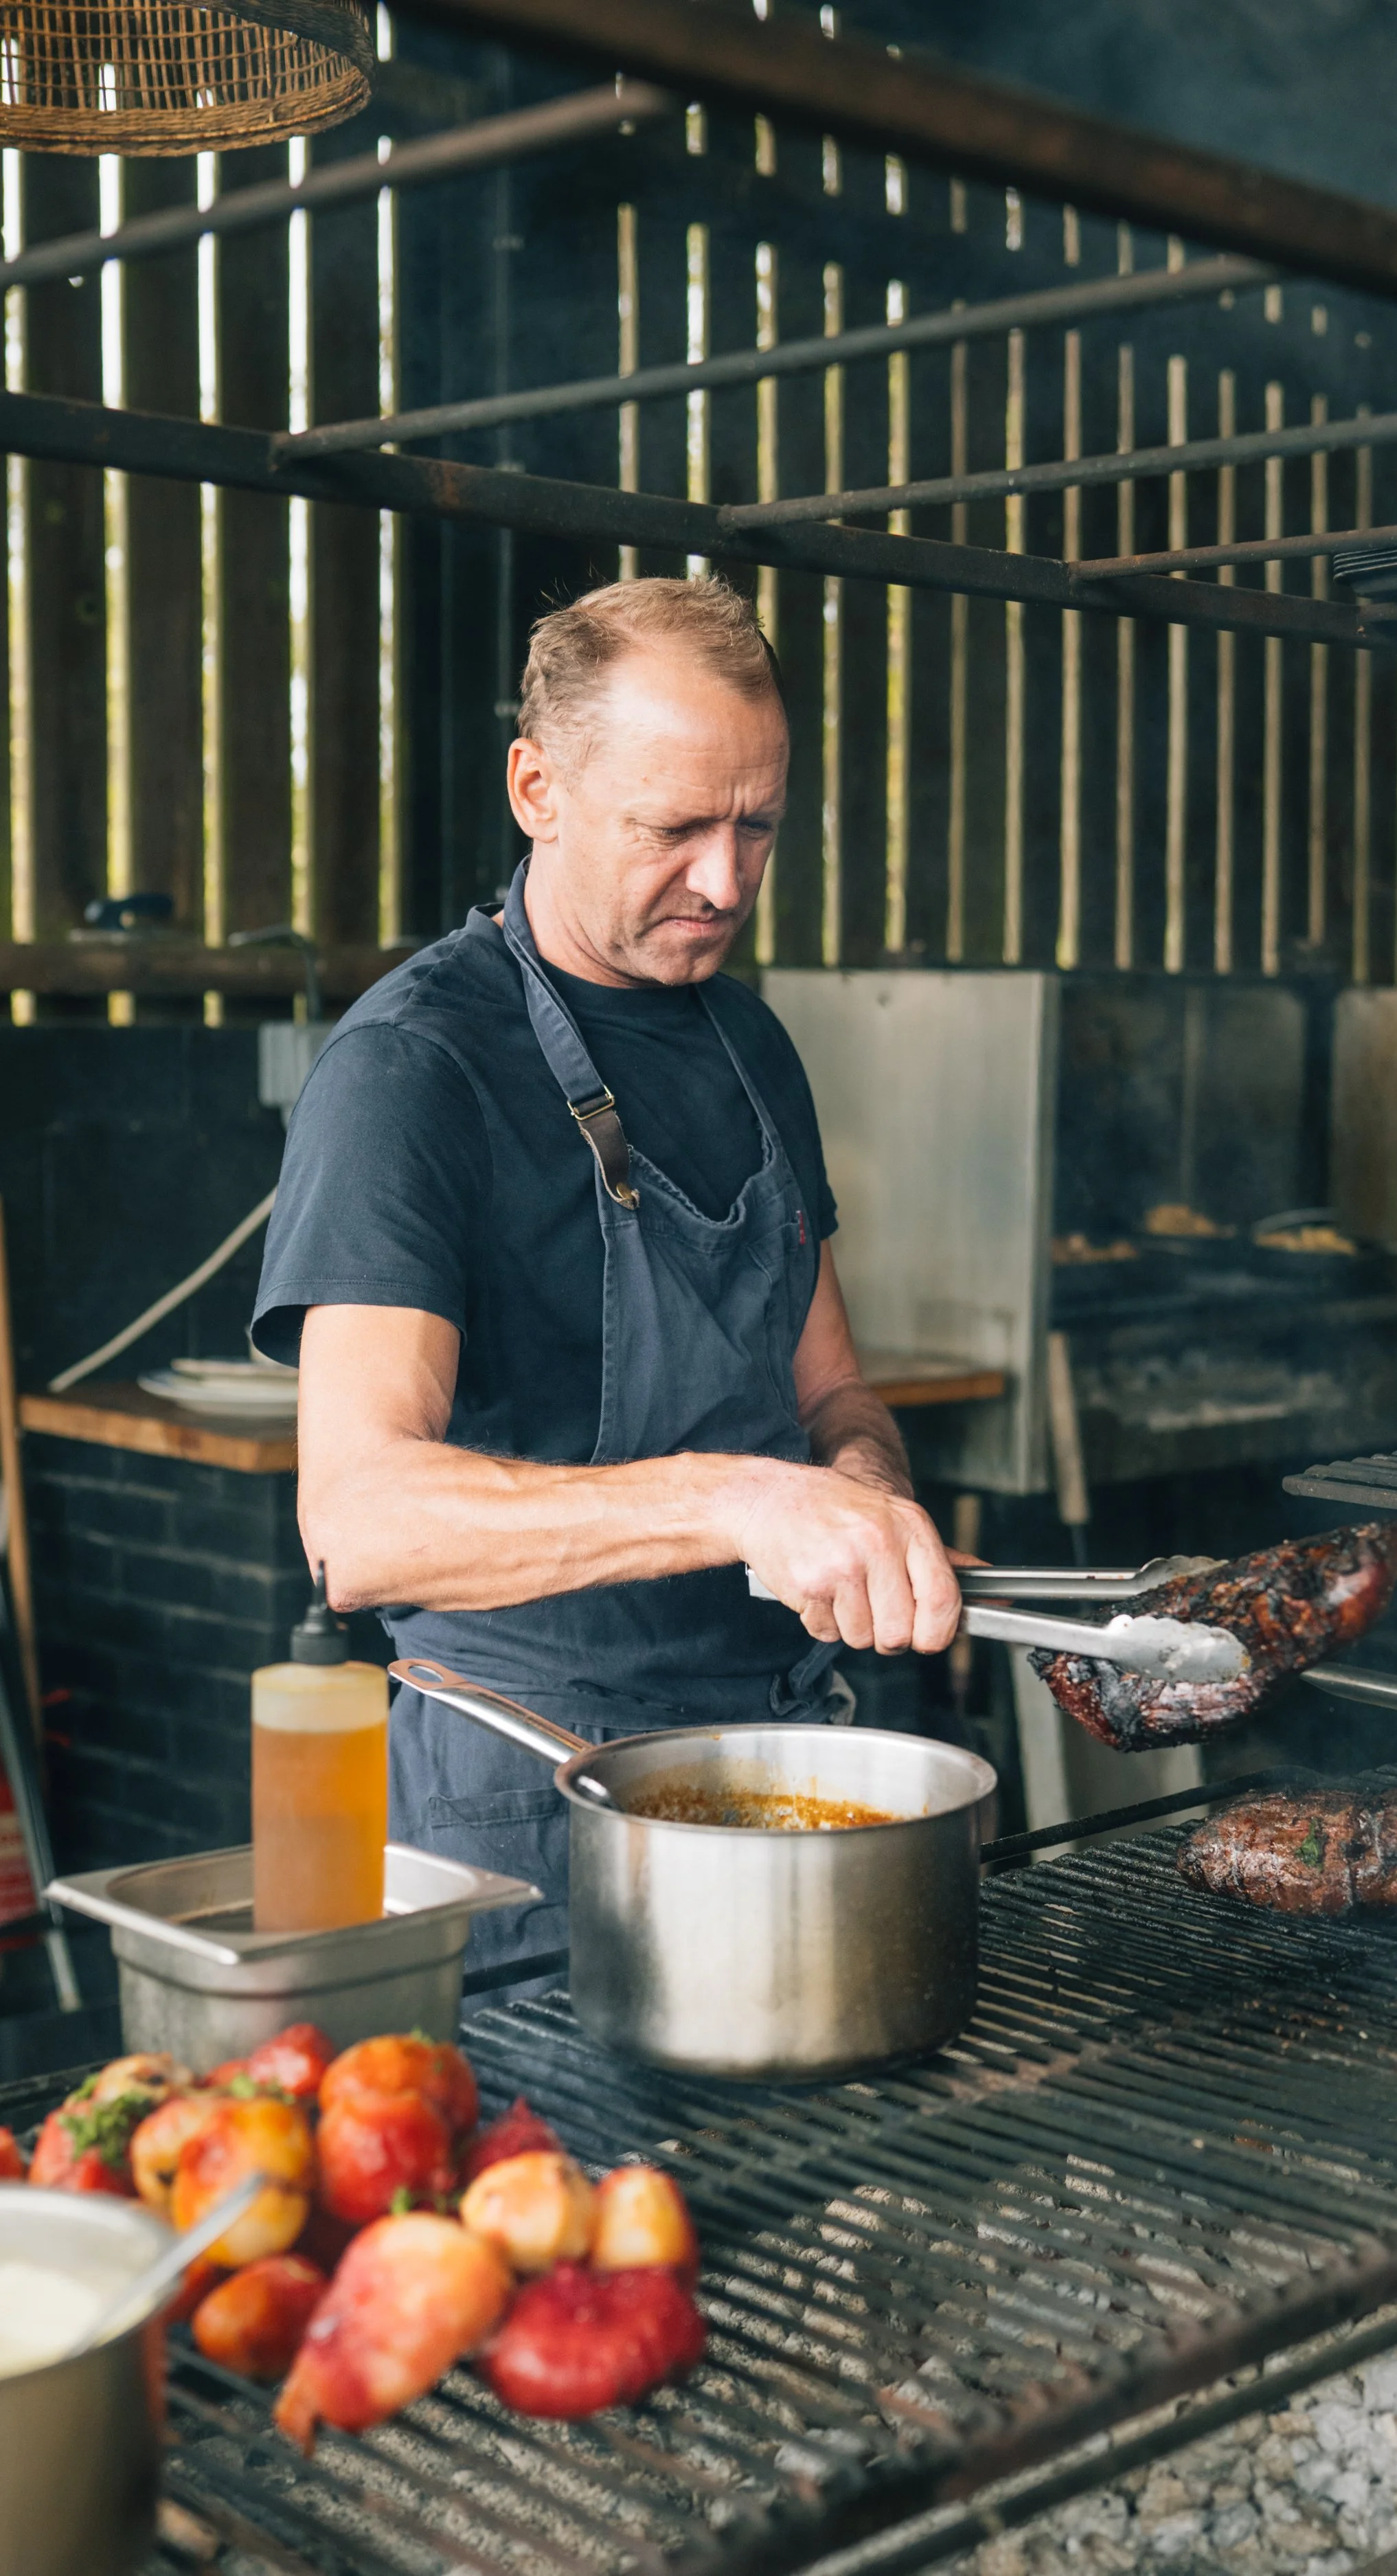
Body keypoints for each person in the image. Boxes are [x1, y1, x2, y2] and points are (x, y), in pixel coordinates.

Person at [251, 576, 963, 1984]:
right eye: (673, 827)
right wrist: (741, 1497)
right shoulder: (413, 1070)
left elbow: (830, 1388)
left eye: (754, 825)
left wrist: (862, 1491)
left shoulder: (752, 1047)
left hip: (773, 1757)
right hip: (532, 1799)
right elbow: (359, 1523)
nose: (722, 879)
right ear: (538, 787)